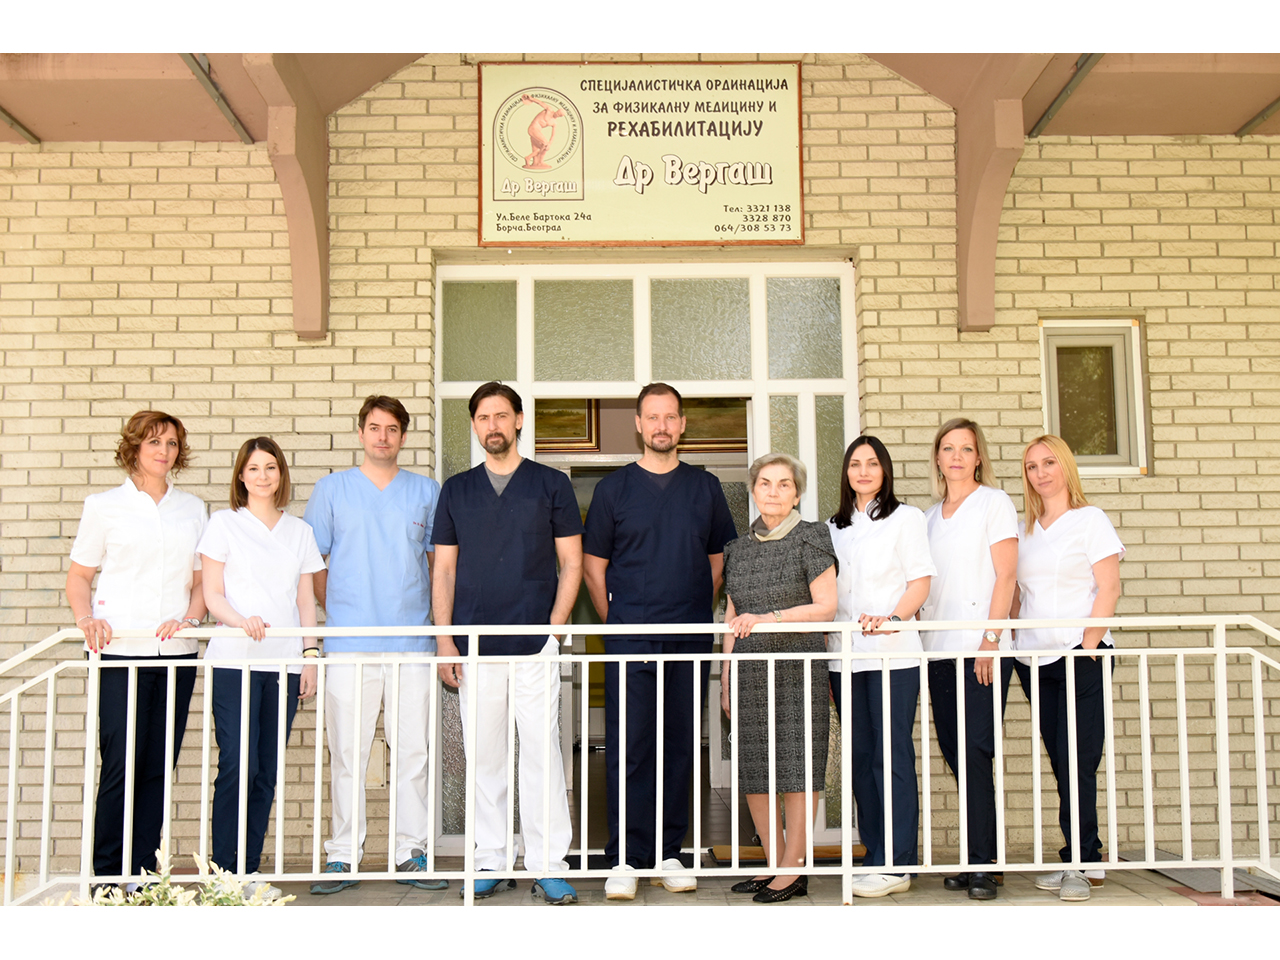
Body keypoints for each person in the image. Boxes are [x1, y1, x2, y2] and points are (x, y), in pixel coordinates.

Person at [583, 383, 737, 900]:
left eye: (670, 417)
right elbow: (593, 567)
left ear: (683, 424)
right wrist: (620, 622)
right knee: (629, 746)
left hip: (687, 637)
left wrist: (691, 609)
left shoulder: (705, 487)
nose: (662, 426)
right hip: (630, 637)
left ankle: (669, 852)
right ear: (638, 424)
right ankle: (625, 856)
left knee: (677, 746)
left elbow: (718, 560)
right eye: (653, 417)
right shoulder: (613, 490)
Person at [432, 382, 584, 905]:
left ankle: (547, 864)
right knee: (484, 758)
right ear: (474, 425)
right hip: (474, 643)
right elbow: (443, 570)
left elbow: (572, 562)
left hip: (533, 642)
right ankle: (490, 860)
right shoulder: (456, 490)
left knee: (542, 754)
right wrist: (445, 640)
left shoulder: (550, 485)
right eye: (483, 417)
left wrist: (555, 627)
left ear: (519, 420)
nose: (492, 425)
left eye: (501, 415)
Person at [303, 396, 445, 894]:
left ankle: (411, 852)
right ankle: (342, 855)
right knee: (347, 752)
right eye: (374, 427)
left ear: (403, 436)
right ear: (361, 432)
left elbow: (438, 565)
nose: (383, 437)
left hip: (412, 640)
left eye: (392, 429)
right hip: (349, 643)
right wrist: (342, 611)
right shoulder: (332, 490)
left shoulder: (426, 492)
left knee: (413, 752)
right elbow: (313, 564)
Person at [65, 410, 207, 886]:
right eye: (154, 442)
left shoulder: (193, 509)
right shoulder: (103, 506)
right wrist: (86, 619)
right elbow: (79, 578)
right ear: (134, 448)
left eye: (172, 443)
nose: (164, 451)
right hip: (121, 652)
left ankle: (142, 874)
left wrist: (190, 619)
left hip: (176, 653)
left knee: (158, 767)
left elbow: (201, 583)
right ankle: (107, 879)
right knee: (121, 765)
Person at [199, 437, 322, 897]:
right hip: (235, 661)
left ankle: (248, 873)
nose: (263, 476)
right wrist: (240, 620)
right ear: (241, 476)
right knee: (238, 763)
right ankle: (223, 875)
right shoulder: (223, 524)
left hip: (283, 665)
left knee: (266, 770)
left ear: (281, 474)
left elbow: (305, 601)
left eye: (271, 467)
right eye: (253, 468)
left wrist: (310, 657)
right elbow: (212, 594)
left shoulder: (299, 532)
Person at [720, 453, 837, 904]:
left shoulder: (812, 536)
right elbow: (732, 616)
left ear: (797, 493)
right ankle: (773, 865)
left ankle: (794, 867)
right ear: (753, 490)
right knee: (755, 767)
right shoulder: (737, 548)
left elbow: (825, 608)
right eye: (765, 483)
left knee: (796, 764)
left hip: (797, 665)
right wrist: (726, 674)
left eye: (784, 484)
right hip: (749, 668)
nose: (773, 491)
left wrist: (768, 618)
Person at [1011, 435, 1124, 903]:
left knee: (1079, 758)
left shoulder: (1090, 520)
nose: (1040, 473)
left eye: (1048, 463)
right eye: (1031, 466)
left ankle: (1078, 862)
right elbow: (1018, 592)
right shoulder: (1025, 530)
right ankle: (1086, 857)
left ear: (1065, 467)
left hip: (1080, 654)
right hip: (1034, 660)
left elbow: (1109, 587)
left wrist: (1088, 646)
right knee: (1063, 761)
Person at [826, 436, 934, 898]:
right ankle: (875, 855)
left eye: (872, 463)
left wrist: (892, 619)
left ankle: (898, 862)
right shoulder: (833, 527)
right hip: (844, 657)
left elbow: (920, 583)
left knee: (891, 756)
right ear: (846, 472)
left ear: (885, 471)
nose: (864, 471)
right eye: (855, 464)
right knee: (860, 758)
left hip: (892, 653)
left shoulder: (906, 518)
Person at [920, 417, 1018, 900]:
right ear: (937, 458)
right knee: (956, 752)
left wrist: (991, 639)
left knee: (977, 750)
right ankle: (981, 855)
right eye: (948, 448)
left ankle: (984, 863)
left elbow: (1006, 576)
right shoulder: (928, 517)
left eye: (966, 448)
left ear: (978, 458)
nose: (956, 457)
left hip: (982, 650)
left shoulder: (994, 503)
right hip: (939, 650)